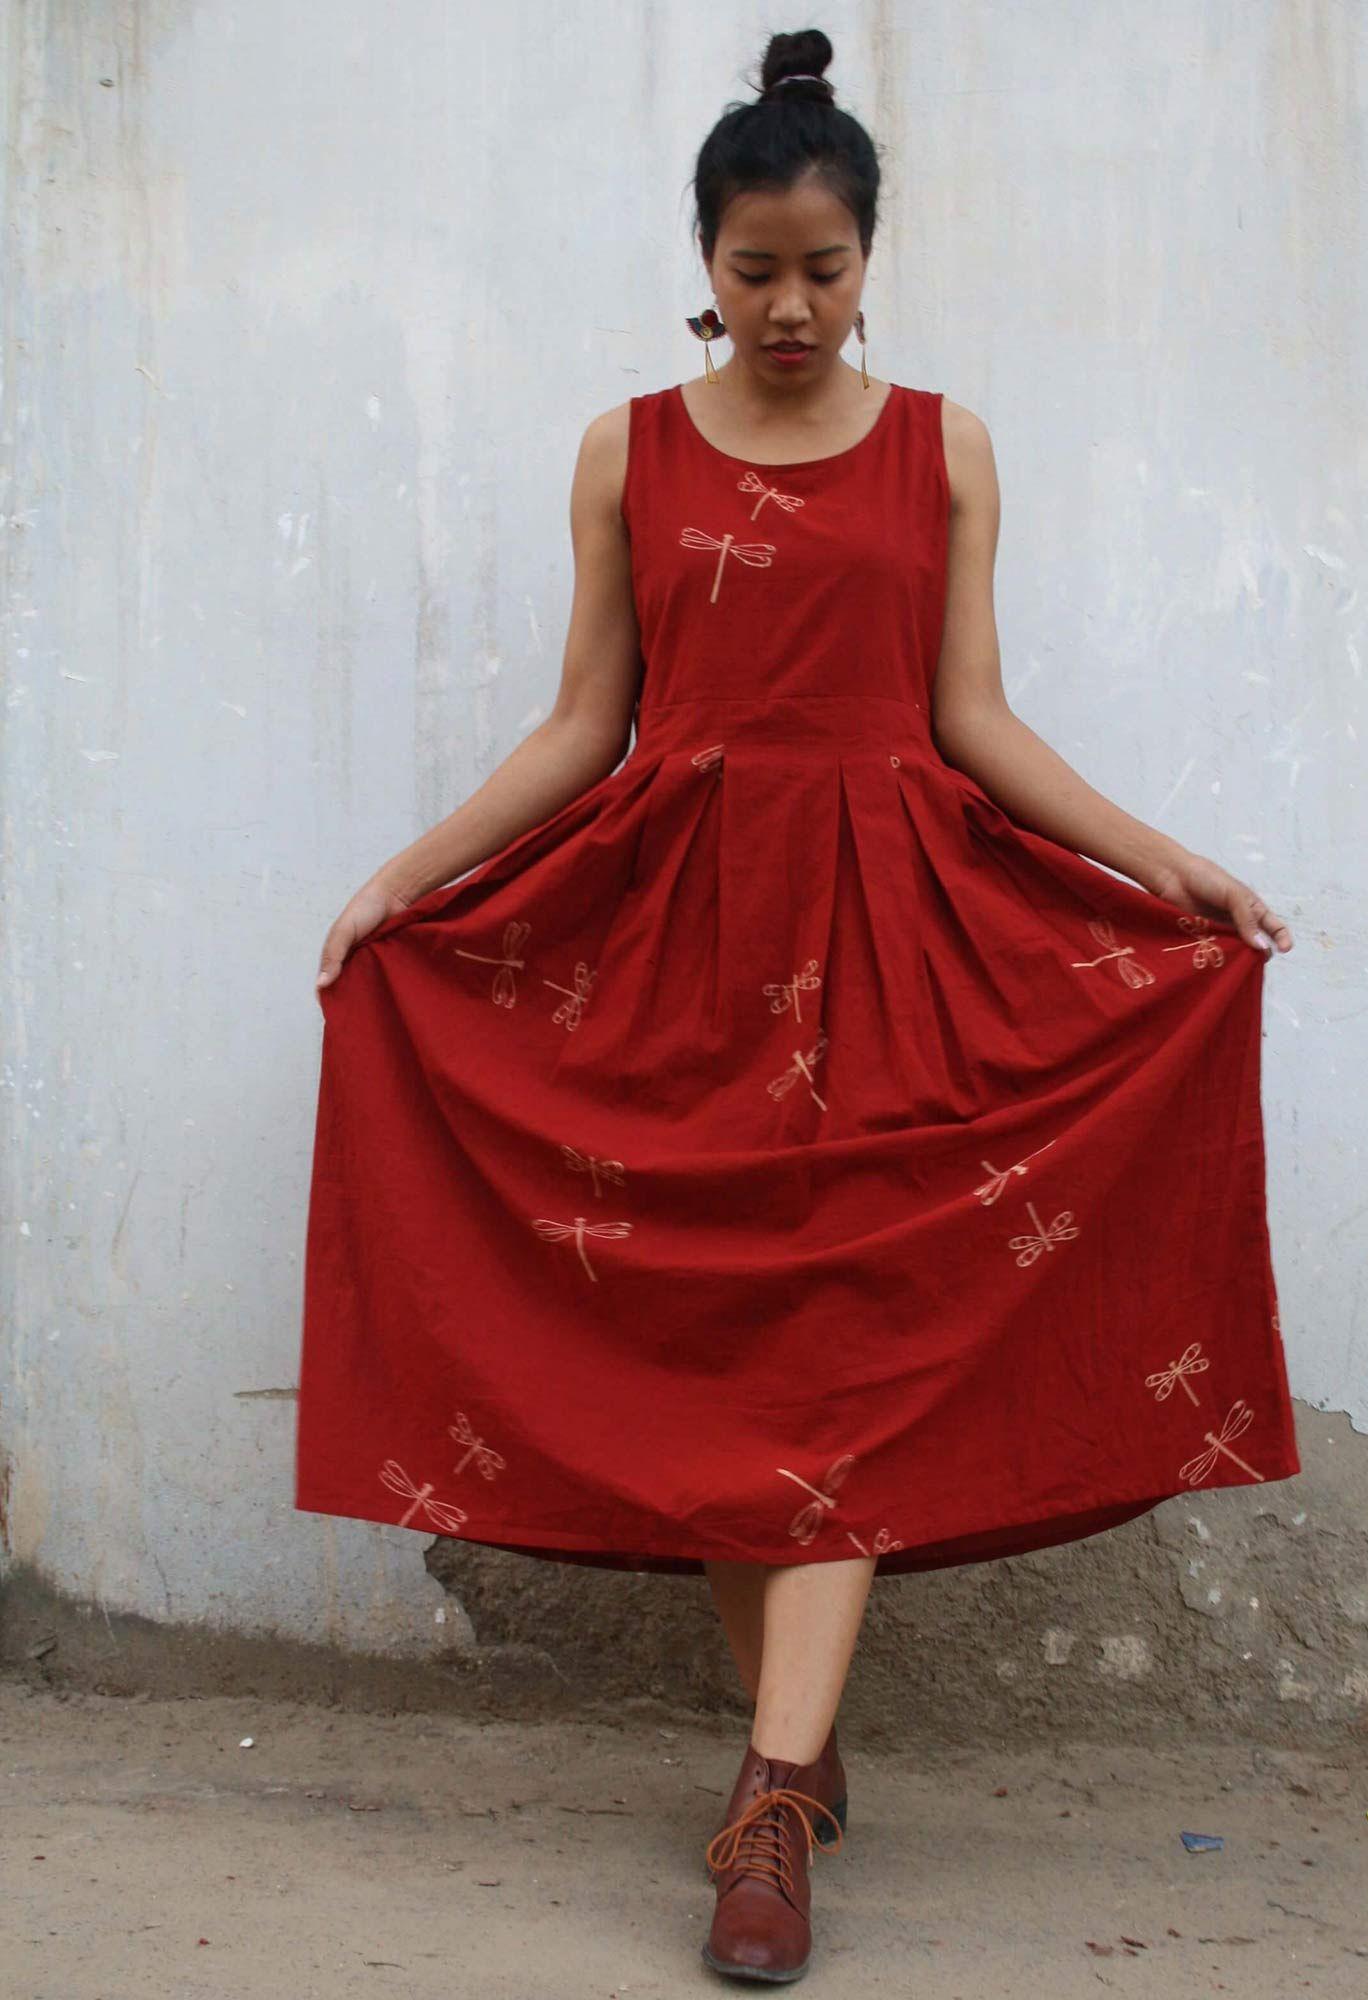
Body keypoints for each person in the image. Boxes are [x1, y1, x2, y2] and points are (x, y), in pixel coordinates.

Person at [297, 27, 1299, 1985]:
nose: (788, 306)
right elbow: (593, 722)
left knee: (834, 1368)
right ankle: (802, 1753)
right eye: (755, 267)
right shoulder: (626, 451)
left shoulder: (949, 445)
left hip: (897, 950)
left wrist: (1166, 862)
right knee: (721, 1362)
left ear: (869, 260)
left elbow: (971, 715)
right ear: (707, 252)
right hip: (676, 945)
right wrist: (400, 880)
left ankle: (767, 1805)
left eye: (822, 269)